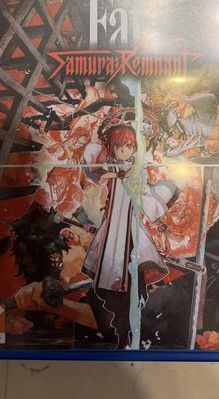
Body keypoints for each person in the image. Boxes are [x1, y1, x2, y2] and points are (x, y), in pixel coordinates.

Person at [82, 114, 178, 347]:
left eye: (128, 146)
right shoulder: (112, 167)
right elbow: (96, 173)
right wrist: (117, 172)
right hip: (111, 229)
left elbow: (143, 193)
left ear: (135, 148)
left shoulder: (136, 171)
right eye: (119, 146)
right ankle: (121, 330)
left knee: (132, 280)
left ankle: (130, 330)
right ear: (112, 147)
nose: (123, 151)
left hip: (129, 230)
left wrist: (156, 215)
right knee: (111, 280)